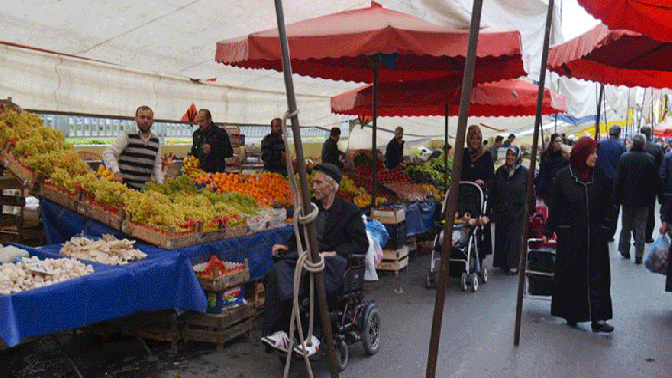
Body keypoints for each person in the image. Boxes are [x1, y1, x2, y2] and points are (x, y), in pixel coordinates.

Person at [261, 163, 368, 355]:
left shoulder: (349, 211)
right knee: (279, 272)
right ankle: (282, 331)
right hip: (307, 256)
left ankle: (316, 335)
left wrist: (333, 253)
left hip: (333, 261)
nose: (314, 187)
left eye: (318, 182)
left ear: (332, 185)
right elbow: (299, 236)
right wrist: (287, 246)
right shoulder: (310, 208)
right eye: (314, 183)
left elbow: (360, 244)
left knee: (316, 275)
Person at [543, 136, 615, 333]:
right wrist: (549, 230)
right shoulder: (562, 177)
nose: (596, 156)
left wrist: (607, 227)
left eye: (596, 152)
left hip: (595, 236)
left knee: (597, 276)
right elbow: (554, 206)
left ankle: (599, 318)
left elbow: (610, 205)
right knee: (573, 276)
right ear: (582, 154)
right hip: (571, 236)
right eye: (592, 152)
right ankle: (572, 313)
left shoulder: (600, 177)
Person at [614, 133, 663, 264]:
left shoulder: (624, 158)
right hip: (644, 199)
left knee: (626, 225)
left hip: (627, 198)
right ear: (643, 144)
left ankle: (625, 249)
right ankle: (639, 254)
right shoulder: (649, 159)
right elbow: (657, 180)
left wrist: (616, 199)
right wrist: (661, 198)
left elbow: (618, 180)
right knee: (640, 226)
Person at [491, 146, 533, 274]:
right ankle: (503, 262)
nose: (510, 157)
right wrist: (491, 207)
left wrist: (532, 209)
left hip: (518, 210)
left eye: (513, 155)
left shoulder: (524, 172)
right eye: (508, 155)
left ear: (518, 157)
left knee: (515, 237)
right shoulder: (500, 171)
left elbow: (531, 191)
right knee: (502, 235)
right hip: (502, 208)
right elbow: (494, 190)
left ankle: (513, 264)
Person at [102, 105, 163, 190]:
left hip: (145, 192)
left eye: (149, 118)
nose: (145, 120)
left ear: (152, 121)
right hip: (125, 190)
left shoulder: (155, 141)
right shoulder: (127, 135)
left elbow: (157, 166)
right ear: (136, 118)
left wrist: (160, 183)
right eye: (142, 117)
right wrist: (116, 171)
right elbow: (108, 153)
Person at [462, 125, 494, 257]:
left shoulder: (486, 155)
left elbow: (492, 177)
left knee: (480, 223)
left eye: (477, 139)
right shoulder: (463, 154)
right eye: (472, 139)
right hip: (465, 195)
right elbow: (458, 173)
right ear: (468, 139)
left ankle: (479, 254)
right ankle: (463, 248)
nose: (475, 141)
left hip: (480, 196)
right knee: (464, 222)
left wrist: (483, 183)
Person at [595, 126, 627, 241]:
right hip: (615, 182)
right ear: (619, 134)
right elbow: (624, 165)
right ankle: (609, 233)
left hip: (599, 180)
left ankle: (600, 229)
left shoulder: (600, 144)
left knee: (600, 206)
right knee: (613, 209)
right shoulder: (621, 146)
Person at [190, 109, 233, 174]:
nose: (199, 124)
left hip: (217, 173)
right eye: (198, 121)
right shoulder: (196, 134)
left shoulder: (220, 133)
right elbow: (195, 153)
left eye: (202, 121)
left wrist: (212, 149)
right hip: (200, 173)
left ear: (209, 119)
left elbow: (229, 152)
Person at [640, 126, 664, 243]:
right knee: (650, 210)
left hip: (639, 183)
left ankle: (638, 235)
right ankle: (648, 235)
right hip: (652, 184)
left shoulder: (636, 147)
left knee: (638, 210)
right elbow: (662, 169)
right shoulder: (657, 149)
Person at [535, 133, 569, 205]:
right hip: (549, 190)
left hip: (561, 190)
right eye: (557, 141)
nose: (559, 143)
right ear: (552, 143)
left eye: (560, 141)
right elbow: (543, 174)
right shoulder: (546, 156)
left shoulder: (565, 157)